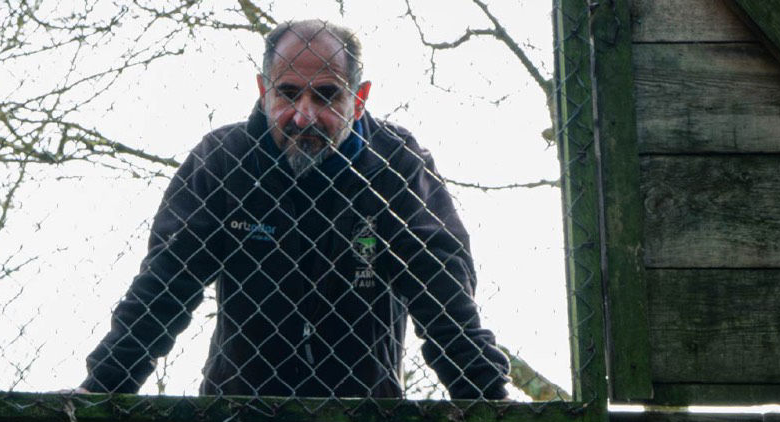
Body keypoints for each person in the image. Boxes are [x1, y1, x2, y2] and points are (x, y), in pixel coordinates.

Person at [80, 19, 512, 400]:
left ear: (358, 99)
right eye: (288, 94)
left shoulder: (396, 164)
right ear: (263, 91)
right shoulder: (222, 160)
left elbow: (440, 284)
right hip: (239, 411)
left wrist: (485, 394)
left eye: (326, 97)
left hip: (365, 415)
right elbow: (166, 284)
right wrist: (103, 386)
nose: (304, 117)